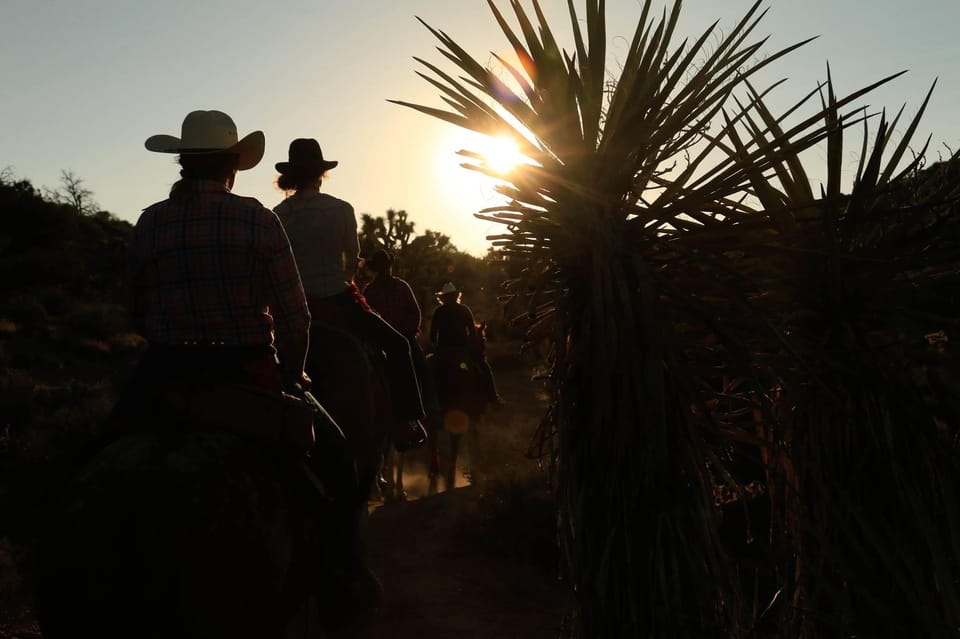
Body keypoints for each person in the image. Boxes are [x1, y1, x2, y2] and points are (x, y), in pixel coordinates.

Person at [125, 110, 376, 628]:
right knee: (338, 464)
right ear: (233, 167)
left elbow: (133, 311)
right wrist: (294, 374)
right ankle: (344, 578)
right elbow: (295, 319)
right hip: (246, 370)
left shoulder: (150, 221)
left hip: (164, 373)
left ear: (182, 163)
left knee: (96, 448)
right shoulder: (258, 220)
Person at [272, 138, 427, 451]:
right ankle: (406, 420)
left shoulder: (278, 214)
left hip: (294, 310)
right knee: (397, 346)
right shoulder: (341, 209)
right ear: (321, 174)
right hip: (337, 303)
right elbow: (351, 260)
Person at [361, 249, 440, 418]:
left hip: (384, 340)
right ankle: (427, 408)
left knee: (423, 368)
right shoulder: (398, 286)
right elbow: (415, 312)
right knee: (423, 369)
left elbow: (365, 317)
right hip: (398, 338)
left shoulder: (371, 290)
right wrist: (406, 332)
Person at [429, 282, 505, 407]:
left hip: (443, 352)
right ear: (456, 296)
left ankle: (429, 404)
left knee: (429, 370)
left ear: (443, 298)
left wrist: (437, 348)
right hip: (463, 352)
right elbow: (473, 333)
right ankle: (493, 397)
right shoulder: (464, 310)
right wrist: (470, 347)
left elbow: (432, 336)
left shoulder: (438, 312)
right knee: (483, 367)